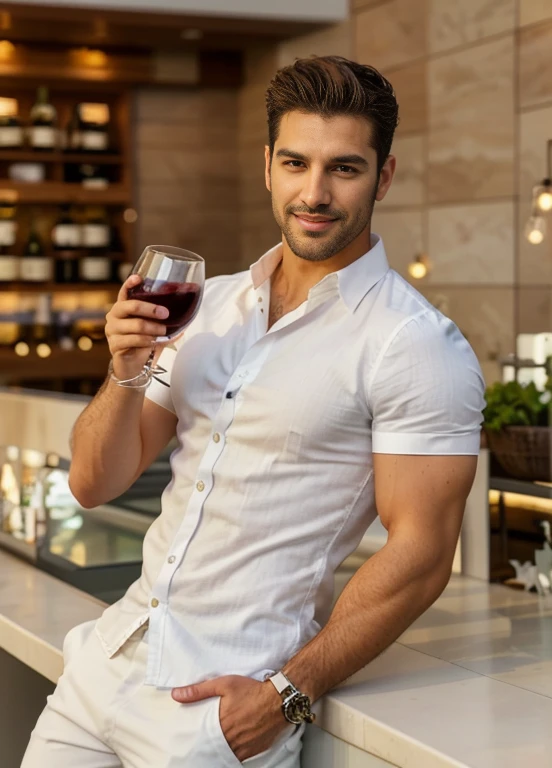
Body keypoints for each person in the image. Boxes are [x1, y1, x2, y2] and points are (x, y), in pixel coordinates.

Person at [22, 56, 484, 768]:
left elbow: (421, 556)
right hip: (102, 671)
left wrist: (287, 696)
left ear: (384, 177)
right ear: (268, 166)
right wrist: (124, 371)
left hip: (215, 712)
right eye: (296, 163)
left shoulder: (414, 345)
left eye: (345, 168)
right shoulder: (211, 306)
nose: (315, 192)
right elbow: (93, 483)